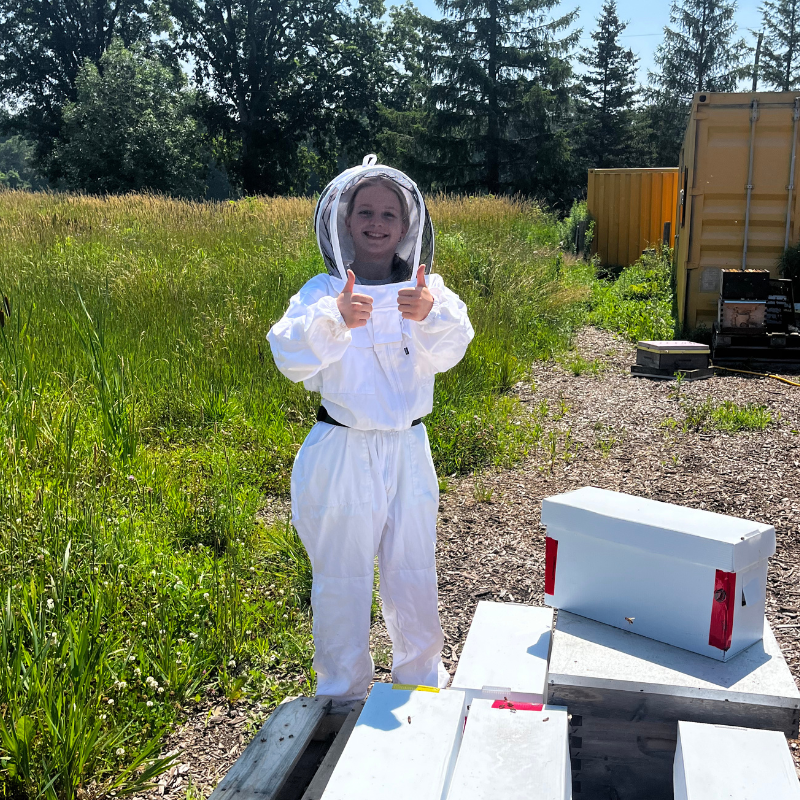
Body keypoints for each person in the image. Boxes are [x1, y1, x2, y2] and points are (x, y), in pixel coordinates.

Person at [268, 155, 474, 702]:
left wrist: (428, 313)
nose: (377, 222)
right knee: (341, 578)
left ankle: (421, 684)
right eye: (365, 211)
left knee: (413, 569)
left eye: (389, 213)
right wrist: (335, 318)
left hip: (408, 447)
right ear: (343, 219)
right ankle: (341, 694)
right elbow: (289, 355)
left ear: (407, 226)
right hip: (342, 450)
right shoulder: (323, 291)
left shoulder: (427, 289)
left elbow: (452, 347)